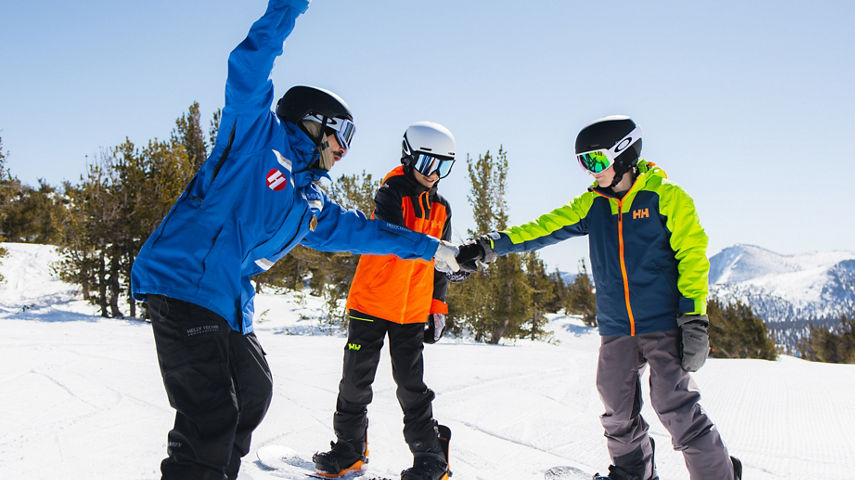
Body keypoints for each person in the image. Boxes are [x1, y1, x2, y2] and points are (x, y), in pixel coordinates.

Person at [130, 2, 460, 479]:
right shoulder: (254, 137)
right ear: (312, 122)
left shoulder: (309, 202)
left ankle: (215, 471)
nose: (345, 149)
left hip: (225, 300)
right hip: (182, 283)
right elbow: (248, 63)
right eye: (341, 134)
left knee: (254, 391)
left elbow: (365, 231)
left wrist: (433, 250)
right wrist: (289, 6)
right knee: (210, 415)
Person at [455, 115, 742, 480]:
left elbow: (693, 257)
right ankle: (634, 473)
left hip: (663, 324)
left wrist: (694, 318)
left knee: (676, 408)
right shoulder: (593, 205)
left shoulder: (667, 198)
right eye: (584, 163)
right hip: (616, 328)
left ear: (623, 155)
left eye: (595, 161)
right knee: (616, 410)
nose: (591, 172)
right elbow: (542, 228)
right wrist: (487, 245)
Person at [312, 122, 459, 480]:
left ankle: (430, 457)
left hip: (411, 308)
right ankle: (349, 448)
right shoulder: (391, 191)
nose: (434, 174)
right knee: (355, 381)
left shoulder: (443, 208)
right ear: (409, 157)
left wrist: (437, 306)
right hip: (373, 302)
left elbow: (441, 267)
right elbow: (396, 236)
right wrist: (437, 255)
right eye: (427, 164)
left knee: (412, 385)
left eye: (443, 166)